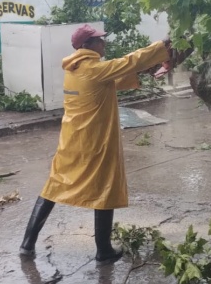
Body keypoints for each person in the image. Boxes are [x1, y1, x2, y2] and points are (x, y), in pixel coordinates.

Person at [19, 24, 180, 264]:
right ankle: (103, 250)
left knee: (53, 187)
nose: (104, 43)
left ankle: (27, 245)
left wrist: (140, 73)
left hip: (71, 142)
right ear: (87, 46)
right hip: (95, 142)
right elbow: (129, 61)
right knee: (106, 187)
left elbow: (108, 83)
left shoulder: (75, 69)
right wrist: (162, 45)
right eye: (99, 40)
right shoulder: (93, 68)